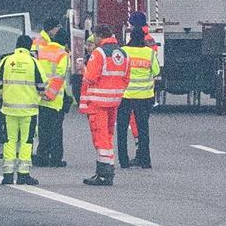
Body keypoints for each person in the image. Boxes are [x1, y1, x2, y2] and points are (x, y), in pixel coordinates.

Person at [78, 24, 129, 186]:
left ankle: (104, 173)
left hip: (98, 102)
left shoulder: (98, 53)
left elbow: (90, 78)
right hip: (114, 101)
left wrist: (83, 70)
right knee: (108, 136)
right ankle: (105, 171)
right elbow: (126, 78)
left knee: (101, 139)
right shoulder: (123, 53)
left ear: (100, 36)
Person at [0, 34, 45, 185]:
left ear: (16, 46)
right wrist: (36, 97)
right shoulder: (34, 63)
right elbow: (42, 86)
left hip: (9, 110)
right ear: (29, 47)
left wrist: (6, 95)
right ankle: (23, 174)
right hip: (29, 111)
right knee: (26, 142)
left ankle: (7, 174)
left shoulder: (7, 61)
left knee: (9, 141)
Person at [117, 27, 161, 169]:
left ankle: (123, 161)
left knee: (122, 129)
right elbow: (156, 71)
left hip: (125, 96)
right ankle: (145, 161)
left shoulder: (123, 51)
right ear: (143, 38)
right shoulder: (149, 53)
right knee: (143, 129)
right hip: (144, 96)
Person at [32, 18, 70, 168]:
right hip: (54, 99)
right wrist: (51, 94)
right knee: (56, 130)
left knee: (43, 129)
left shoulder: (41, 50)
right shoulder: (62, 54)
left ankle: (41, 156)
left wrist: (42, 92)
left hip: (41, 96)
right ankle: (55, 159)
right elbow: (60, 76)